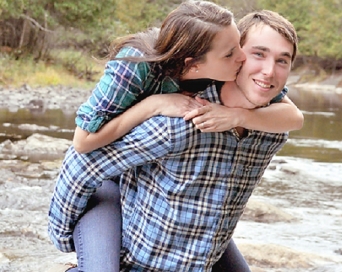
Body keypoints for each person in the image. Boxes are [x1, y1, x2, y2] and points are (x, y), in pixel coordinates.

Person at [47, 1, 302, 271]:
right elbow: (82, 154)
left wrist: (242, 117)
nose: (269, 70)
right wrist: (66, 236)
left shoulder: (271, 129)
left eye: (282, 60)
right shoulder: (177, 118)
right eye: (257, 54)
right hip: (127, 235)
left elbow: (295, 117)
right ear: (237, 58)